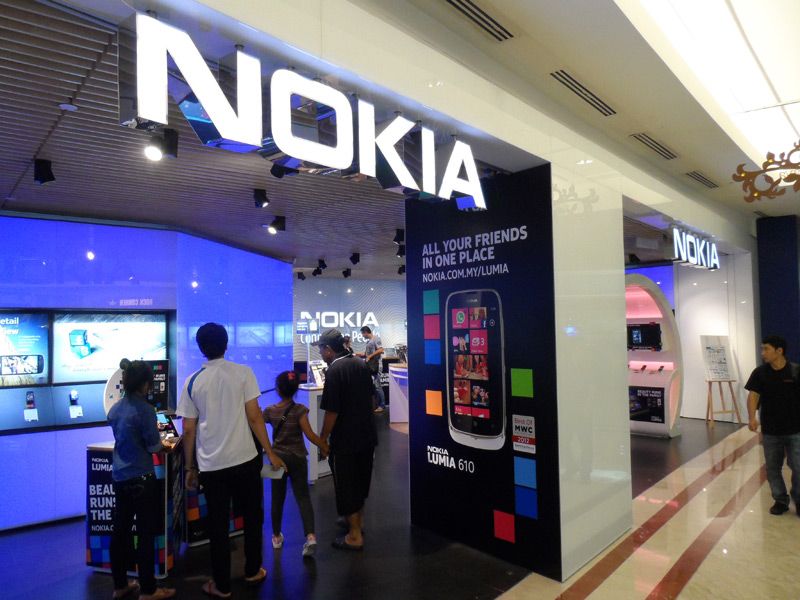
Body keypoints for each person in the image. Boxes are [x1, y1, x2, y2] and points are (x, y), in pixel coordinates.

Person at [176, 323, 286, 598]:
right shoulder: (243, 373)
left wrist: (190, 467)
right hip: (246, 459)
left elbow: (188, 429)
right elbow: (255, 417)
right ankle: (253, 571)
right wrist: (270, 451)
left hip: (211, 466)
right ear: (226, 345)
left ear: (201, 348)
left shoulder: (192, 382)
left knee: (217, 526)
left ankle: (221, 586)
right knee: (252, 517)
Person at [107, 360, 176, 600]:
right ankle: (148, 589)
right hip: (142, 478)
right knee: (145, 533)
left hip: (120, 477)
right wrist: (167, 445)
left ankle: (120, 585)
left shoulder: (115, 410)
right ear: (144, 383)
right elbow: (154, 446)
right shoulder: (145, 410)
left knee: (120, 531)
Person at [315, 329, 377, 551]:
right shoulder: (360, 364)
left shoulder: (334, 370)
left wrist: (323, 440)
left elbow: (332, 411)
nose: (320, 353)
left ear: (328, 349)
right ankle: (357, 523)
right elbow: (373, 399)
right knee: (360, 482)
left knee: (347, 486)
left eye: (321, 349)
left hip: (346, 440)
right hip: (367, 435)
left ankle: (354, 535)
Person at [263, 370, 328, 558]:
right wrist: (324, 446)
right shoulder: (300, 410)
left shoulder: (270, 411)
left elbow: (256, 423)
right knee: (303, 498)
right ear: (295, 389)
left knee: (277, 499)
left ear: (277, 389)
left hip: (277, 460)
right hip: (298, 458)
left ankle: (276, 537)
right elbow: (310, 435)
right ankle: (310, 536)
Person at [745, 335, 800, 516]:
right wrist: (752, 417)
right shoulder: (760, 373)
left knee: (798, 467)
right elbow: (753, 395)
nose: (763, 353)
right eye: (762, 349)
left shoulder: (795, 371)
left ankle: (798, 498)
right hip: (771, 431)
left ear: (779, 351)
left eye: (766, 349)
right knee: (772, 468)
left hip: (795, 430)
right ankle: (780, 500)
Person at [359, 326, 386, 413]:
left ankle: (382, 405)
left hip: (376, 365)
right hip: (371, 366)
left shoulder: (376, 338)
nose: (362, 336)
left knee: (378, 386)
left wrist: (370, 356)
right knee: (374, 386)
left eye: (362, 334)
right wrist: (358, 354)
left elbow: (381, 350)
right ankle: (376, 404)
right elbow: (367, 354)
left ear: (366, 332)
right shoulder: (368, 341)